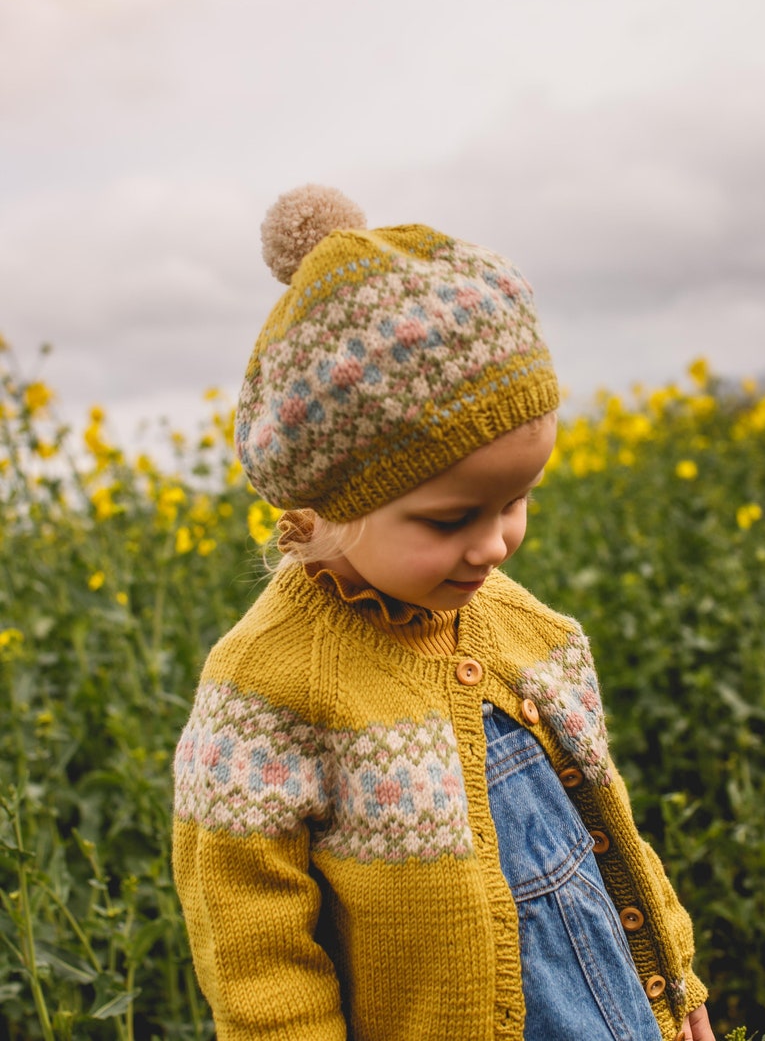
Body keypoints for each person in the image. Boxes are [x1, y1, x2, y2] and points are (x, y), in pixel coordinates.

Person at [172, 184, 715, 1041]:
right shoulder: (265, 691)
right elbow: (258, 957)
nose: (494, 545)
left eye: (516, 501)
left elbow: (613, 828)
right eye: (450, 518)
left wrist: (676, 984)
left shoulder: (528, 627)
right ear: (329, 507)